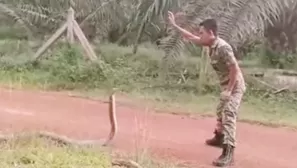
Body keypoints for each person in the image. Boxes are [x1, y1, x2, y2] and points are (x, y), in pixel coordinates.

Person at [167, 11, 246, 167]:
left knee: (229, 113)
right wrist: (175, 25)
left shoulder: (223, 47)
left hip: (235, 85)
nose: (199, 35)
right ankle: (219, 137)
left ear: (211, 33)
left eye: (202, 33)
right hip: (226, 85)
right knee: (220, 111)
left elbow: (234, 69)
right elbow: (190, 37)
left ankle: (228, 153)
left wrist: (229, 90)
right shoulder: (209, 44)